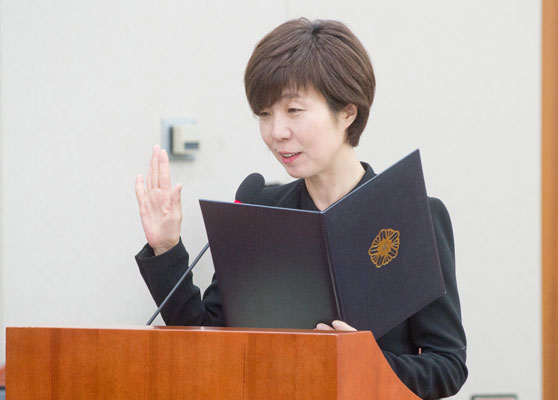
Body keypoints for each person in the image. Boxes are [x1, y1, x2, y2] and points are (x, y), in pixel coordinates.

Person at [135, 18, 467, 399]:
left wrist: (363, 359)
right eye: (264, 114)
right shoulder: (261, 212)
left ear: (347, 112)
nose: (276, 132)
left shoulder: (413, 216)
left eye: (293, 110)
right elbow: (208, 335)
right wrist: (166, 248)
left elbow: (448, 365)